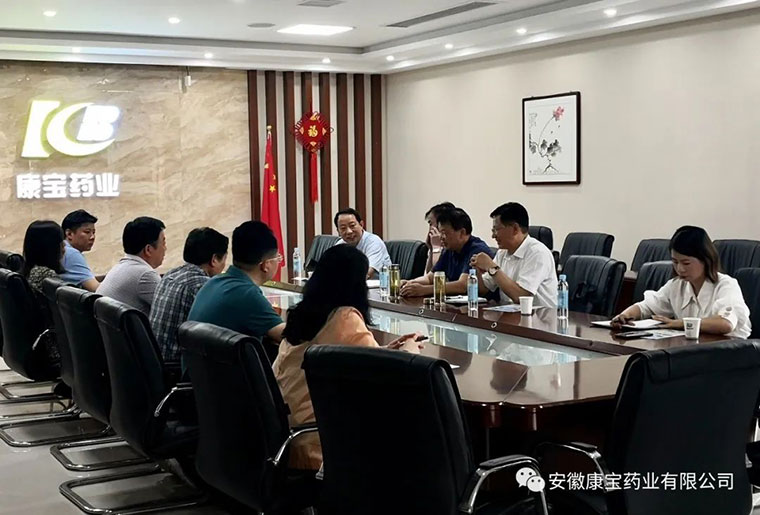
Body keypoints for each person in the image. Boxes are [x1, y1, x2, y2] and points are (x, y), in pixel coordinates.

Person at [273, 244, 423, 470]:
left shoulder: (305, 312)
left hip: (288, 430)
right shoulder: (344, 317)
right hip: (319, 438)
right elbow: (388, 375)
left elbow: (351, 355)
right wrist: (409, 352)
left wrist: (385, 351)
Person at [612, 225, 751, 338]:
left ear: (705, 259)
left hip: (731, 353)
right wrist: (625, 315)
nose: (680, 269)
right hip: (695, 350)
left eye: (686, 263)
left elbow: (725, 324)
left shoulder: (726, 285)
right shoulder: (677, 285)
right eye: (675, 262)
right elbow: (647, 306)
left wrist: (679, 323)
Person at [188, 221, 285, 342]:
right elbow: (289, 337)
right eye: (278, 258)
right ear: (266, 265)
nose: (279, 262)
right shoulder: (247, 294)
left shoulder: (213, 282)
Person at [150, 228, 229, 363]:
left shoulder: (171, 274)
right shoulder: (202, 285)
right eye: (224, 259)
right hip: (177, 365)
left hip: (155, 360)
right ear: (214, 259)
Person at [470, 202, 558, 308]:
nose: (493, 236)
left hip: (540, 316)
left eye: (497, 230)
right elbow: (483, 289)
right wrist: (477, 272)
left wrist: (491, 267)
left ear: (515, 229)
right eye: (493, 230)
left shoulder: (537, 253)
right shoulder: (502, 253)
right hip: (510, 314)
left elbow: (521, 297)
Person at [401, 207, 493, 297]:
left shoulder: (477, 250)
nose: (441, 237)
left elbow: (463, 285)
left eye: (444, 233)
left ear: (462, 232)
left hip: (483, 304)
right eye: (440, 232)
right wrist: (409, 283)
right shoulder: (449, 249)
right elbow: (430, 278)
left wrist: (424, 290)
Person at [97, 217, 166, 316]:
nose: (165, 248)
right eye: (163, 243)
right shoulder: (145, 275)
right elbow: (170, 312)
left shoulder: (121, 266)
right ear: (148, 250)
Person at [21, 220, 65, 366]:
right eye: (61, 243)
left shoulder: (30, 271)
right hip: (53, 349)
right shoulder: (46, 276)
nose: (64, 248)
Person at [333, 208, 391, 279]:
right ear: (338, 231)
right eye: (343, 228)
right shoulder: (340, 245)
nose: (349, 231)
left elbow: (367, 273)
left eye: (352, 226)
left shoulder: (374, 242)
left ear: (361, 224)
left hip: (379, 285)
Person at [60, 209, 99, 292]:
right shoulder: (71, 254)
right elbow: (97, 289)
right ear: (69, 234)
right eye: (87, 232)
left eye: (93, 232)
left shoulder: (63, 249)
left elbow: (86, 278)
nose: (92, 237)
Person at [424, 202, 455, 274]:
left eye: (431, 223)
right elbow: (430, 274)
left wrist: (436, 248)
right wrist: (431, 249)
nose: (430, 228)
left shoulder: (451, 246)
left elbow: (438, 274)